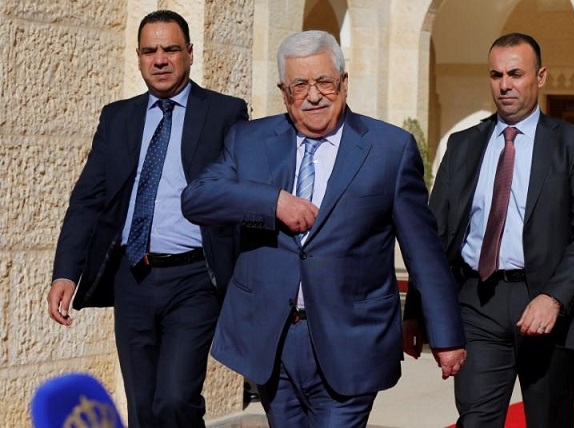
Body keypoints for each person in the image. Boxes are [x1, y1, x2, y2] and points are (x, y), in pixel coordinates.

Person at [181, 30, 466, 427]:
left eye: (324, 82)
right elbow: (196, 198)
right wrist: (273, 202)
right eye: (300, 85)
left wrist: (446, 333)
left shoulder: (390, 150)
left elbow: (424, 252)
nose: (314, 95)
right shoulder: (249, 140)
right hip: (272, 341)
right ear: (284, 92)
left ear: (344, 83)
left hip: (351, 340)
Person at [46, 9, 248, 428]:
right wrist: (66, 272)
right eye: (150, 51)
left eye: (171, 49)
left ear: (189, 54)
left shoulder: (225, 113)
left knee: (175, 399)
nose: (160, 59)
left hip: (195, 281)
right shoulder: (117, 118)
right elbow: (87, 200)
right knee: (142, 407)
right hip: (133, 277)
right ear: (138, 57)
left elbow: (239, 197)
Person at [404, 33, 574, 427]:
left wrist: (554, 297)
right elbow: (433, 237)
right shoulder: (463, 145)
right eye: (497, 74)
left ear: (541, 76)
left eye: (516, 73)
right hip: (476, 302)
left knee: (548, 419)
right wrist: (416, 311)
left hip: (546, 306)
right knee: (476, 419)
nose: (505, 84)